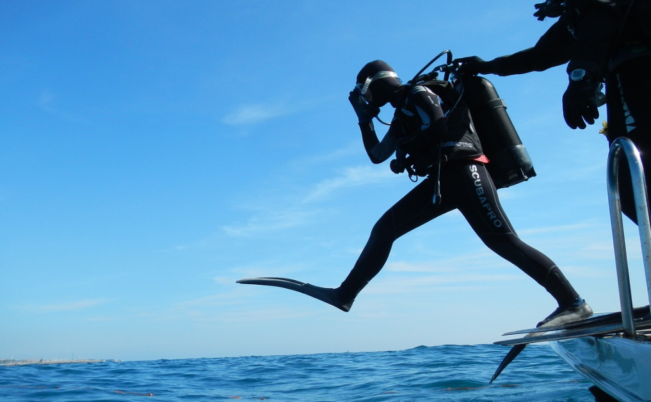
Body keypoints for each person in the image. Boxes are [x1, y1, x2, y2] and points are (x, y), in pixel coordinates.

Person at [239, 60, 592, 328]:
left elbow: (438, 124)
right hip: (445, 179)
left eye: (364, 93)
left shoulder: (417, 93)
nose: (365, 99)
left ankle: (573, 302)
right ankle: (345, 295)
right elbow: (378, 155)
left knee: (502, 240)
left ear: (372, 85)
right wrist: (363, 120)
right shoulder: (400, 113)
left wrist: (410, 144)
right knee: (384, 229)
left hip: (465, 170)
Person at [456, 0, 651, 224]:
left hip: (637, 78)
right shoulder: (582, 14)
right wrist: (488, 66)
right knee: (632, 190)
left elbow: (598, 24)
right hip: (629, 79)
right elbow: (542, 54)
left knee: (635, 184)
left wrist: (581, 78)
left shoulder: (596, 8)